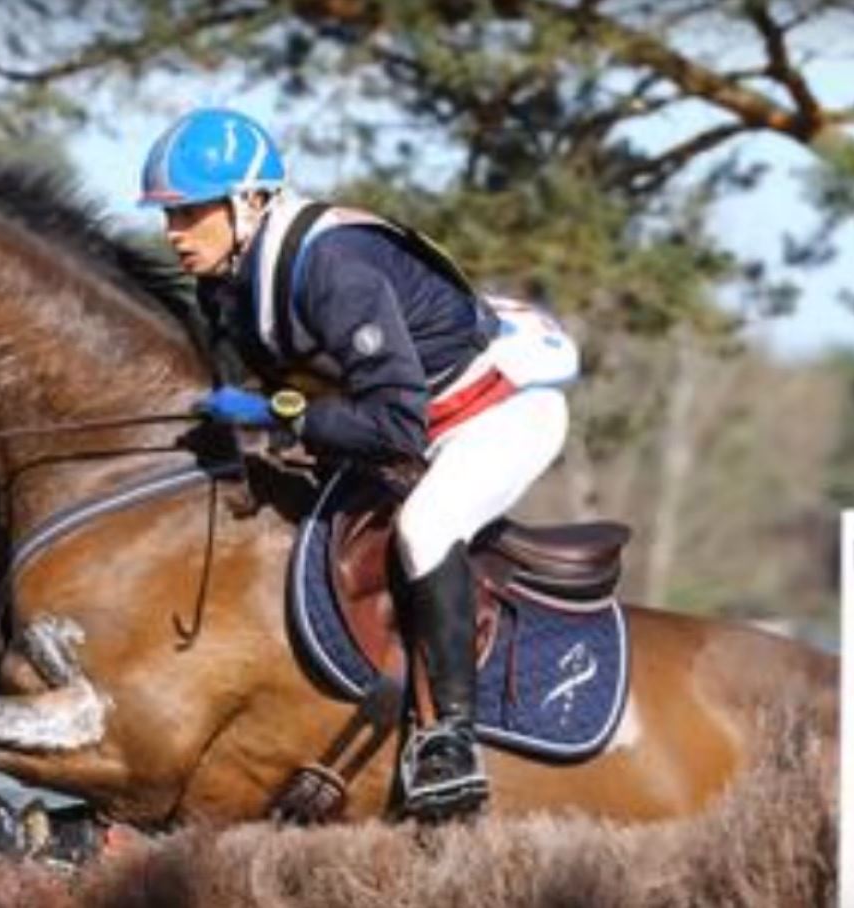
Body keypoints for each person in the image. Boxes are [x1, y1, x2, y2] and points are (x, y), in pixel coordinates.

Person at [140, 108, 578, 820]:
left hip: (493, 415)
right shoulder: (224, 279)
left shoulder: (332, 266)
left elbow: (394, 426)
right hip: (410, 420)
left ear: (248, 202)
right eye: (167, 215)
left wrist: (279, 417)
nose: (173, 234)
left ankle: (450, 741)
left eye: (188, 213)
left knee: (425, 526)